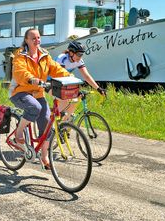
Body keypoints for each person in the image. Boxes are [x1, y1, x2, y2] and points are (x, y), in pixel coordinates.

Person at [9, 28, 71, 169]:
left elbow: (55, 68)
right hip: (20, 92)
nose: (37, 40)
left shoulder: (44, 55)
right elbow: (20, 72)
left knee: (47, 124)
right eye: (33, 38)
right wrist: (31, 79)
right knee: (35, 107)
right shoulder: (20, 55)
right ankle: (19, 134)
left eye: (38, 38)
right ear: (26, 40)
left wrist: (69, 77)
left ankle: (44, 157)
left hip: (38, 93)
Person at [55, 41, 106, 119]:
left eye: (82, 54)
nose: (80, 57)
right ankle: (54, 125)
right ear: (71, 53)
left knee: (75, 100)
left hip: (65, 81)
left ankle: (64, 123)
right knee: (64, 101)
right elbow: (62, 77)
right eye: (79, 54)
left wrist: (98, 88)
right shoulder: (62, 58)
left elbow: (86, 76)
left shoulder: (79, 61)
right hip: (53, 81)